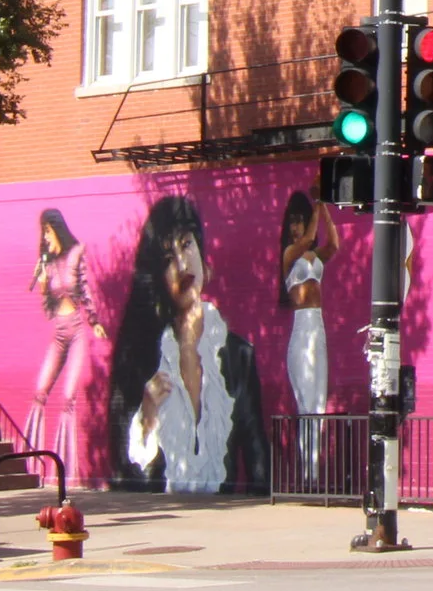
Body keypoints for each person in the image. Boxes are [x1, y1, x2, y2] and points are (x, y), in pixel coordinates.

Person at [107, 195, 268, 495]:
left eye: (186, 245)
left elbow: (258, 464)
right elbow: (127, 476)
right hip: (164, 516)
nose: (181, 265)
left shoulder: (238, 356)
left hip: (228, 518)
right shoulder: (144, 357)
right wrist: (146, 416)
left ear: (204, 258)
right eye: (168, 259)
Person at [27, 209, 105, 469]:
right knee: (40, 391)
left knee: (69, 397)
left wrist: (95, 322)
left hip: (77, 331)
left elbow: (84, 289)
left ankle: (65, 466)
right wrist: (42, 283)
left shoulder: (76, 253)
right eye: (43, 233)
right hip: (59, 333)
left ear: (56, 229)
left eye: (47, 232)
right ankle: (32, 461)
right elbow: (49, 309)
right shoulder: (48, 264)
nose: (45, 238)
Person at [277, 191, 339, 484]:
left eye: (299, 221)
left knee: (319, 403)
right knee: (305, 405)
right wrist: (317, 204)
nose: (296, 227)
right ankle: (306, 475)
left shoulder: (315, 257)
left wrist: (325, 208)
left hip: (318, 327)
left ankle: (314, 474)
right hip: (301, 329)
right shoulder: (289, 254)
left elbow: (333, 244)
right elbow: (309, 238)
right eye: (292, 222)